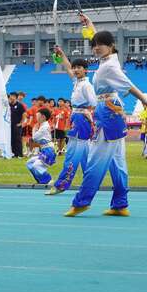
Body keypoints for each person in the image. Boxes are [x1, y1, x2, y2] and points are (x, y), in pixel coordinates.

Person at [64, 13, 147, 217]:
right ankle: (120, 204)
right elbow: (99, 41)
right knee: (117, 162)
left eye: (101, 45)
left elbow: (129, 85)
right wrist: (90, 26)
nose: (96, 47)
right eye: (94, 45)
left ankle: (82, 201)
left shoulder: (109, 67)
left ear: (111, 46)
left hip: (108, 112)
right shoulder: (109, 59)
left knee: (96, 160)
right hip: (109, 109)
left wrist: (146, 101)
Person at [47, 54, 97, 195]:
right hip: (76, 117)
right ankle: (91, 183)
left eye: (79, 68)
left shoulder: (86, 85)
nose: (75, 70)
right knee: (84, 155)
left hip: (81, 119)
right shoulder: (77, 82)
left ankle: (62, 184)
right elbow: (68, 68)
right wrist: (62, 55)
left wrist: (88, 114)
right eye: (75, 67)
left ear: (85, 70)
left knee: (72, 154)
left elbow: (94, 103)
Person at [26, 108, 57, 184]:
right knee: (29, 163)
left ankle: (49, 180)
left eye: (37, 115)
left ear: (43, 117)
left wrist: (34, 129)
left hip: (48, 150)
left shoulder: (44, 127)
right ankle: (41, 181)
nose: (36, 117)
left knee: (36, 165)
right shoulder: (43, 126)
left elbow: (35, 138)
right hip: (44, 150)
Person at [9, 92, 26, 158]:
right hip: (10, 126)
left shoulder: (19, 105)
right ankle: (14, 153)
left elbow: (24, 114)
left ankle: (20, 154)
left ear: (16, 97)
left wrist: (21, 123)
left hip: (17, 125)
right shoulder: (9, 105)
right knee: (12, 139)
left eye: (13, 96)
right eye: (10, 96)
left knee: (18, 140)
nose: (11, 97)